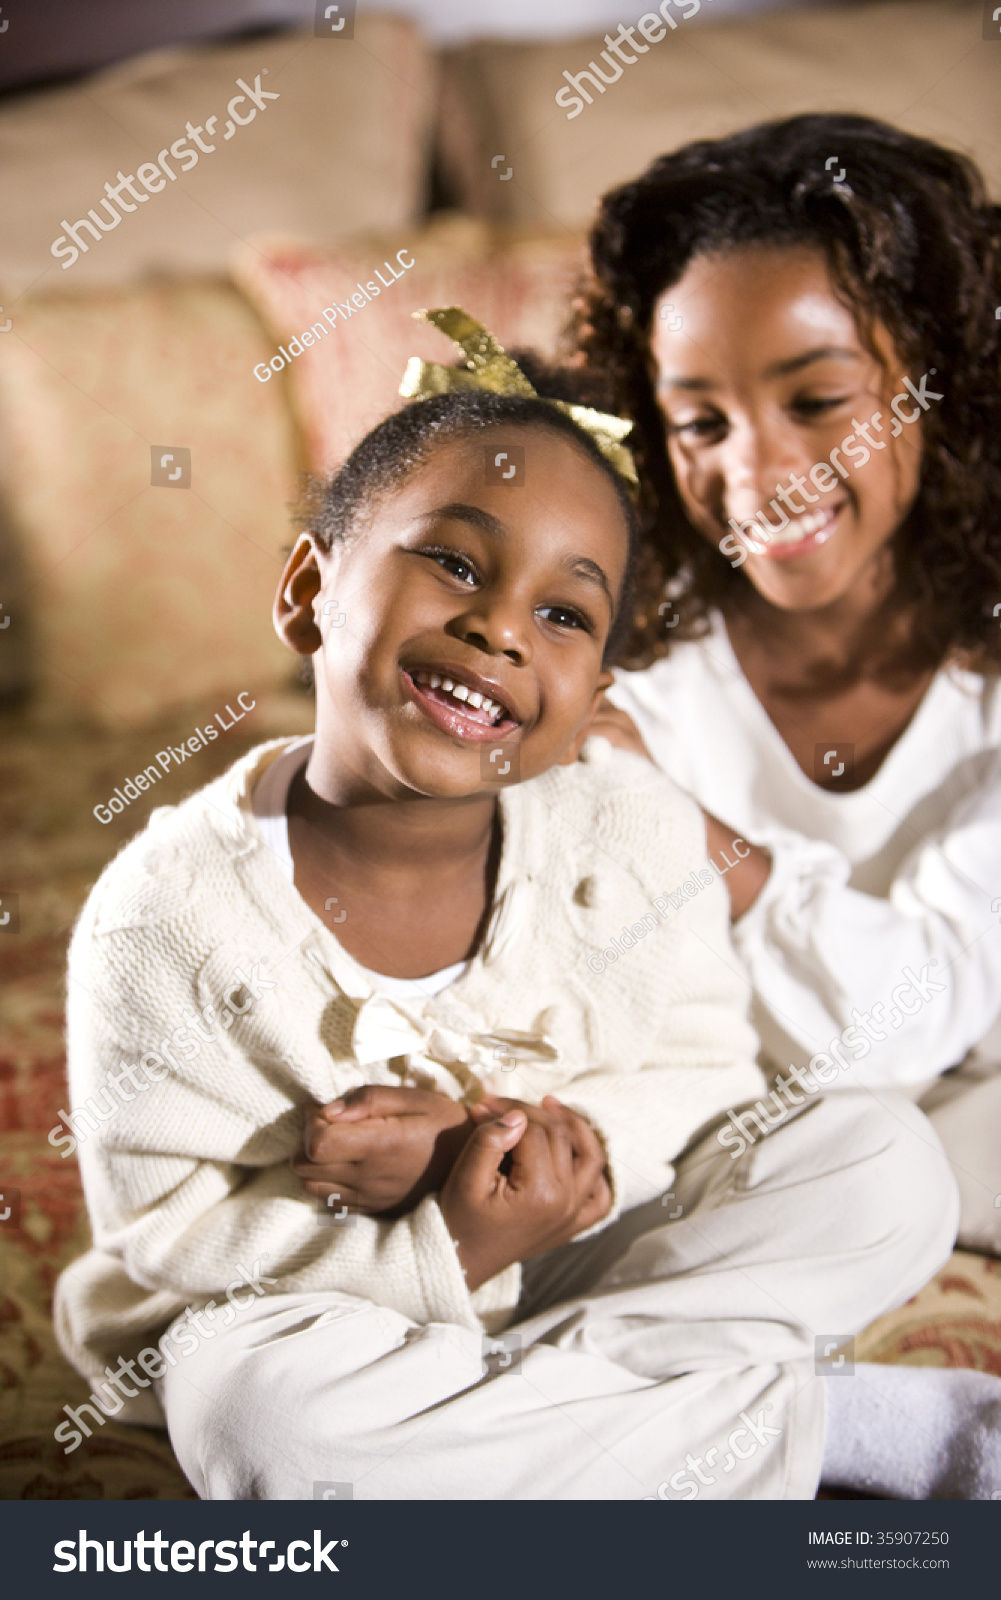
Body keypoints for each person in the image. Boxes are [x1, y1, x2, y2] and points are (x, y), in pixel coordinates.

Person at [52, 313, 994, 1502]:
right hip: (327, 1310)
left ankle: (506, 1431)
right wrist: (448, 1235)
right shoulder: (162, 920)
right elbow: (170, 1239)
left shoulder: (630, 821)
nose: (499, 626)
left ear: (594, 693)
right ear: (309, 591)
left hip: (592, 1251)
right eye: (452, 560)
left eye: (564, 613)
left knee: (883, 1166)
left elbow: (707, 1092)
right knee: (251, 1412)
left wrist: (486, 1156)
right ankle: (823, 1429)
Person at [575, 114, 1001, 1255]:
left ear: (941, 385)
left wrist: (665, 813)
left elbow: (902, 1024)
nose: (753, 477)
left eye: (816, 402)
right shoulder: (634, 674)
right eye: (699, 421)